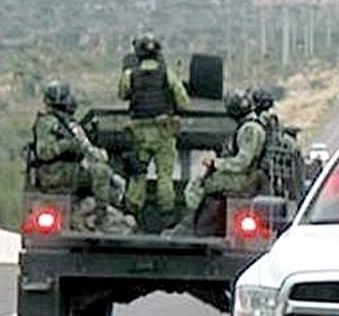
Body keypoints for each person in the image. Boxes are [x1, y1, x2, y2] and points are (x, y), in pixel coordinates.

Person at [31, 80, 132, 232]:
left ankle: (107, 215)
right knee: (100, 172)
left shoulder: (68, 123)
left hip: (67, 170)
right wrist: (67, 144)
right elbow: (43, 153)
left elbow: (87, 149)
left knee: (111, 183)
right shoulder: (48, 123)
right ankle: (101, 219)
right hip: (55, 173)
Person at [173, 90, 267, 234]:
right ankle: (198, 222)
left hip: (244, 178)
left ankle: (190, 224)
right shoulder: (248, 126)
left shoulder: (250, 129)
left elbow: (243, 162)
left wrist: (216, 163)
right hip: (244, 175)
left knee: (198, 184)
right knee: (204, 180)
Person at [118, 34, 190, 221]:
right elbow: (183, 103)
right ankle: (166, 213)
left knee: (138, 173)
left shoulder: (129, 75)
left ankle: (132, 211)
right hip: (163, 131)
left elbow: (122, 95)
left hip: (139, 131)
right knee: (164, 175)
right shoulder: (167, 74)